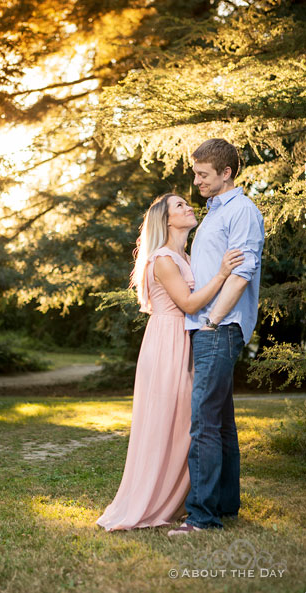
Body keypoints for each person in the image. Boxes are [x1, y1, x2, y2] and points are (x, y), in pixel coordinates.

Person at [96, 192, 244, 531]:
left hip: (186, 338)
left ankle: (186, 497)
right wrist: (222, 273)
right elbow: (190, 304)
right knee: (169, 423)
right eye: (180, 206)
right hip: (167, 342)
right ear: (166, 220)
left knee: (183, 424)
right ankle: (153, 498)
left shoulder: (185, 256)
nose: (189, 206)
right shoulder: (163, 259)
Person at [168, 138, 264, 535]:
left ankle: (203, 517)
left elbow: (242, 272)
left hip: (218, 329)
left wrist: (212, 321)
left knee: (204, 424)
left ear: (226, 173)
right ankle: (224, 505)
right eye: (195, 173)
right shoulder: (215, 212)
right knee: (221, 423)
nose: (196, 181)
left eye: (203, 174)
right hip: (212, 328)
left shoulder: (241, 211)